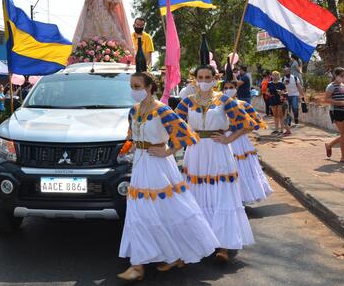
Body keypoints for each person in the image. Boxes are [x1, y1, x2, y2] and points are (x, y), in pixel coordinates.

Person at [117, 72, 219, 281]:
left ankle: (172, 255)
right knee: (139, 212)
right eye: (132, 86)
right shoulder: (133, 111)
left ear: (150, 88)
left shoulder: (163, 111)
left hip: (159, 165)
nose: (133, 90)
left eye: (137, 86)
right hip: (140, 163)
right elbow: (132, 136)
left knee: (166, 210)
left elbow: (186, 135)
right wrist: (127, 149)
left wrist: (168, 151)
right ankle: (139, 265)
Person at [175, 63, 255, 264]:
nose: (203, 81)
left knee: (221, 194)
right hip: (196, 152)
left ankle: (223, 244)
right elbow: (174, 125)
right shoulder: (187, 102)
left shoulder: (225, 100)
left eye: (206, 77)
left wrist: (229, 139)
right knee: (196, 194)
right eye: (199, 77)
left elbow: (247, 123)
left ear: (214, 79)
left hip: (219, 150)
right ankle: (200, 239)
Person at [222, 73, 273, 204]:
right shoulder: (218, 105)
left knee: (242, 168)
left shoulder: (243, 104)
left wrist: (238, 130)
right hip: (223, 141)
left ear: (236, 88)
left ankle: (243, 196)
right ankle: (230, 198)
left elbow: (255, 123)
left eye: (230, 87)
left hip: (240, 141)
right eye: (225, 87)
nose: (228, 90)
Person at [324, 68, 344, 163]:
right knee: (343, 134)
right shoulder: (331, 86)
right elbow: (327, 99)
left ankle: (329, 145)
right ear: (335, 75)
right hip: (336, 111)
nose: (343, 78)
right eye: (341, 76)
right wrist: (340, 103)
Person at [267, 71, 291, 136]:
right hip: (272, 100)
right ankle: (276, 129)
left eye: (276, 75)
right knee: (275, 116)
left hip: (280, 101)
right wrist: (269, 94)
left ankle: (281, 130)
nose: (275, 76)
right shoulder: (269, 83)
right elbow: (268, 91)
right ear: (271, 76)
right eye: (273, 75)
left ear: (278, 76)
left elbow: (286, 93)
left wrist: (281, 93)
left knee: (281, 116)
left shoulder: (281, 84)